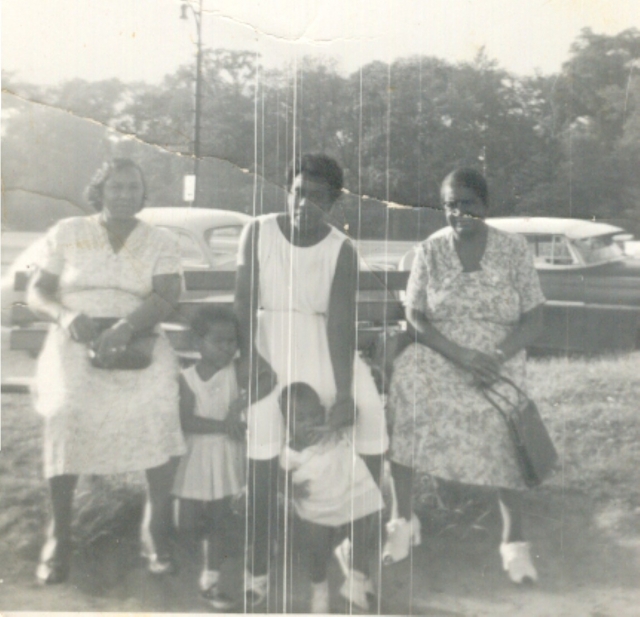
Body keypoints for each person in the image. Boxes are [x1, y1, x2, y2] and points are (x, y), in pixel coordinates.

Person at [235, 153, 389, 608]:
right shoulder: (258, 230)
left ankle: (357, 568)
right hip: (268, 350)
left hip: (325, 349)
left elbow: (340, 324)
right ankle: (257, 565)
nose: (304, 204)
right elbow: (243, 303)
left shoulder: (341, 247)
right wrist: (250, 361)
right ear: (288, 190)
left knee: (370, 428)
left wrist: (343, 392)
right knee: (263, 447)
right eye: (298, 192)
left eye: (317, 197)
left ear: (335, 201)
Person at [27, 158, 186, 584]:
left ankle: (155, 531)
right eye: (115, 187)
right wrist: (63, 315)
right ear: (100, 190)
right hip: (74, 341)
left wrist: (126, 326)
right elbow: (38, 290)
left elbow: (168, 293)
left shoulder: (159, 239)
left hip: (137, 341)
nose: (124, 194)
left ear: (142, 192)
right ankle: (58, 536)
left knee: (159, 406)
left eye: (132, 187)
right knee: (65, 411)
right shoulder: (69, 232)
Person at [386, 168, 545, 583]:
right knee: (406, 384)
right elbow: (415, 315)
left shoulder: (514, 250)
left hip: (498, 354)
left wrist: (494, 355)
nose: (458, 213)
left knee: (504, 415)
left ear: (485, 205)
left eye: (467, 204)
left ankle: (514, 541)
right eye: (450, 205)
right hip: (443, 350)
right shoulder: (431, 250)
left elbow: (534, 318)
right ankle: (402, 519)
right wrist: (458, 353)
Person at [279, 383, 383, 613]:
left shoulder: (332, 432)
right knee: (317, 549)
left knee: (363, 524)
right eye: (301, 418)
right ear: (287, 422)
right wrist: (290, 489)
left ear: (323, 412)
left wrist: (331, 424)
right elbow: (281, 478)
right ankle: (319, 590)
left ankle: (355, 580)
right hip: (318, 505)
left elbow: (352, 413)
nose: (310, 423)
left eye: (315, 415)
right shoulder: (291, 452)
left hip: (349, 492)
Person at [172, 306, 248, 611]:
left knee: (220, 517)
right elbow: (187, 421)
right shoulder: (187, 377)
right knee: (186, 522)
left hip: (226, 455)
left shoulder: (236, 372)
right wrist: (224, 425)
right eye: (219, 341)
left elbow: (267, 378)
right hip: (196, 455)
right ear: (197, 343)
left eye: (232, 341)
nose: (227, 348)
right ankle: (201, 549)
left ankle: (211, 577)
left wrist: (240, 404)